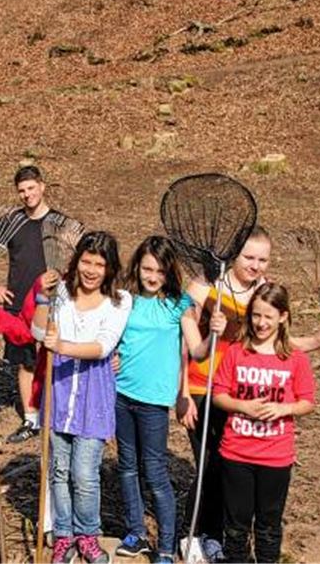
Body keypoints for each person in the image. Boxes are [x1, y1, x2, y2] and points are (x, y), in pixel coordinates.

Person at [179, 226, 320, 562]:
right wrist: (183, 393)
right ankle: (193, 533)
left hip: (242, 386)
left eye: (263, 259)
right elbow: (184, 341)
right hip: (204, 386)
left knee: (228, 468)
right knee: (210, 465)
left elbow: (272, 339)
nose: (255, 265)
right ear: (233, 255)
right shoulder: (206, 284)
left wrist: (315, 341)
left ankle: (218, 537)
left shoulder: (263, 290)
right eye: (249, 257)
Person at [113, 236, 215, 563]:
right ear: (137, 267)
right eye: (147, 269)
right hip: (121, 393)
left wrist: (212, 334)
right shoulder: (125, 299)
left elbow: (197, 350)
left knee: (155, 471)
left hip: (154, 401)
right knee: (127, 467)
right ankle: (136, 532)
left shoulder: (178, 304)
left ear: (169, 272)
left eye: (159, 271)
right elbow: (111, 336)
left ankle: (167, 546)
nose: (152, 276)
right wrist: (112, 354)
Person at [32, 231, 132, 564]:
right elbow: (37, 332)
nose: (91, 270)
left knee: (85, 474)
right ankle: (64, 536)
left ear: (110, 268)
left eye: (99, 265)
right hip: (59, 392)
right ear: (77, 262)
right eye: (86, 262)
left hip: (93, 395)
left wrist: (61, 346)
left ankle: (88, 535)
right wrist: (43, 299)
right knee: (59, 471)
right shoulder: (61, 292)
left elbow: (103, 345)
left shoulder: (119, 301)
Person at [212, 283, 315, 563]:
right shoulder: (237, 352)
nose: (261, 323)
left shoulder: (294, 358)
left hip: (275, 456)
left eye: (268, 316)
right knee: (236, 524)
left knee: (269, 524)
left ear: (283, 316)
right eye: (256, 315)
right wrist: (242, 406)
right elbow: (219, 394)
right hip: (237, 452)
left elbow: (307, 401)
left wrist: (284, 408)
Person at [0, 165, 72, 444]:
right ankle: (30, 418)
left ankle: (57, 414)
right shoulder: (11, 222)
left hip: (53, 303)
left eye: (31, 188)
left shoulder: (60, 223)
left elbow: (76, 256)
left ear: (42, 186)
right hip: (18, 303)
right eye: (21, 190)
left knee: (55, 358)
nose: (27, 194)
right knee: (25, 363)